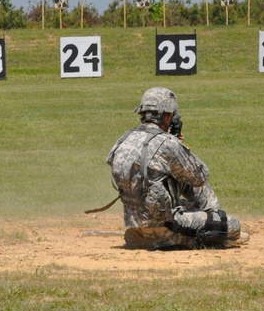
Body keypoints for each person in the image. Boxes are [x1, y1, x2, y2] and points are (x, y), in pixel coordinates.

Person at [106, 87, 247, 250]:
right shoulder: (167, 144)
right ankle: (173, 239)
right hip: (164, 225)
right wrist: (178, 145)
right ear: (167, 115)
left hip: (135, 219)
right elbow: (201, 176)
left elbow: (120, 164)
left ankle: (144, 234)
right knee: (233, 226)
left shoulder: (124, 138)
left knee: (174, 180)